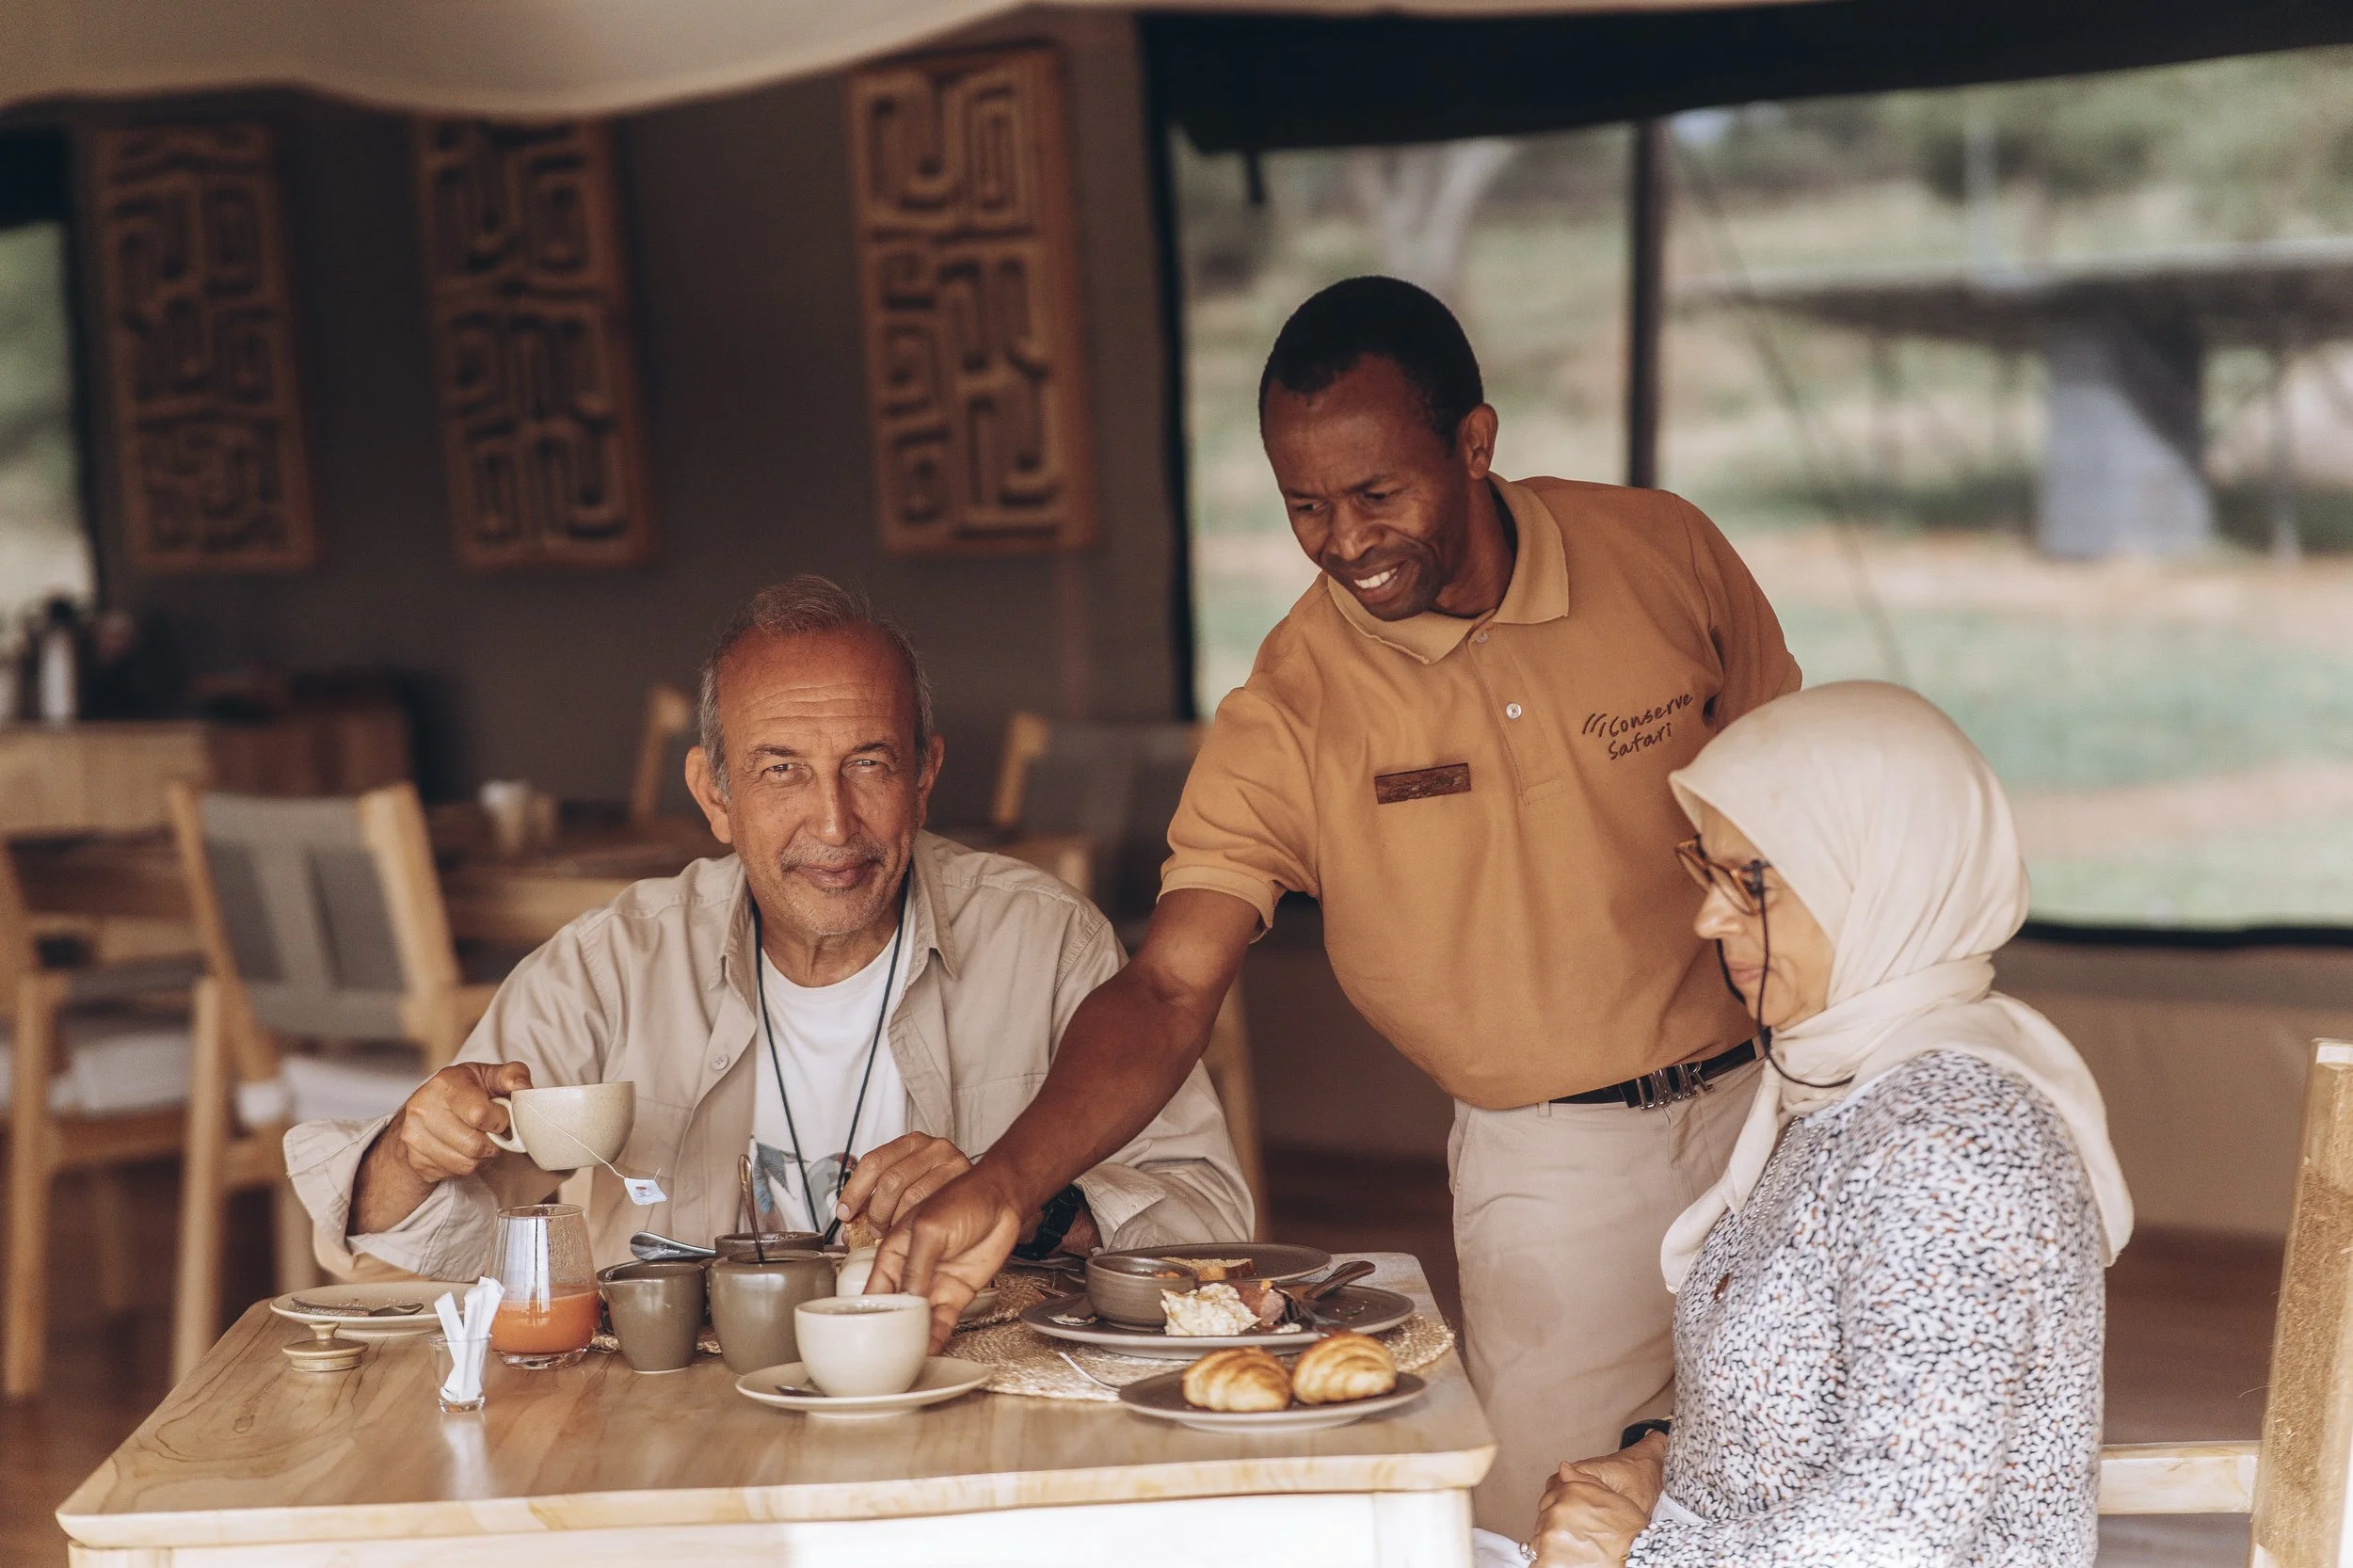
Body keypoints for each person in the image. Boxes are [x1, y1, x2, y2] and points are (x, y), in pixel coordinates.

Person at [863, 275, 1802, 1528]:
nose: (1345, 540)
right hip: (1554, 1161)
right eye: (1305, 506)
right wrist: (1006, 1179)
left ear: (1475, 443)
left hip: (1779, 1102)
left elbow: (1799, 807)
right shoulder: (1294, 705)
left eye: (1376, 493)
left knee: (1805, 1478)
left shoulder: (1662, 552)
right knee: (1566, 1520)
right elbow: (1170, 981)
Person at [284, 577, 1251, 1285]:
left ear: (923, 775)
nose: (834, 824)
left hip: (967, 1394)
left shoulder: (1044, 945)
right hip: (680, 1422)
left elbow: (1212, 1220)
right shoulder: (614, 963)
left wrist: (1030, 1203)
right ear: (715, 794)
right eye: (780, 770)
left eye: (869, 763)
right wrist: (411, 1150)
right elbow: (398, 1242)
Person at [1523, 681, 2131, 1568]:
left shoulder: (1956, 1145)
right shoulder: (1836, 1082)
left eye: (1750, 883)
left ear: (1882, 875)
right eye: (1708, 871)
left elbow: (1907, 1527)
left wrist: (1644, 1557)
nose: (1706, 916)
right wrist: (1662, 1463)